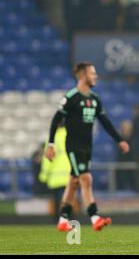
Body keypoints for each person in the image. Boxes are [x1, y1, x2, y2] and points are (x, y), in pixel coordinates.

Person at [45, 62, 130, 232]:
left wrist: (119, 139)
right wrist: (51, 144)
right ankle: (95, 217)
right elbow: (56, 120)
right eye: (93, 73)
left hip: (87, 146)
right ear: (83, 76)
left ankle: (63, 219)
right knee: (86, 179)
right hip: (74, 146)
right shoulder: (71, 97)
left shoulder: (94, 99)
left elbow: (105, 122)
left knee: (74, 181)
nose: (95, 76)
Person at [40, 124, 71, 222]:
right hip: (69, 175)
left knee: (57, 200)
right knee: (69, 199)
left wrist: (44, 175)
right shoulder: (71, 135)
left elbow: (48, 159)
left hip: (56, 176)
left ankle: (58, 221)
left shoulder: (52, 139)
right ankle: (69, 220)